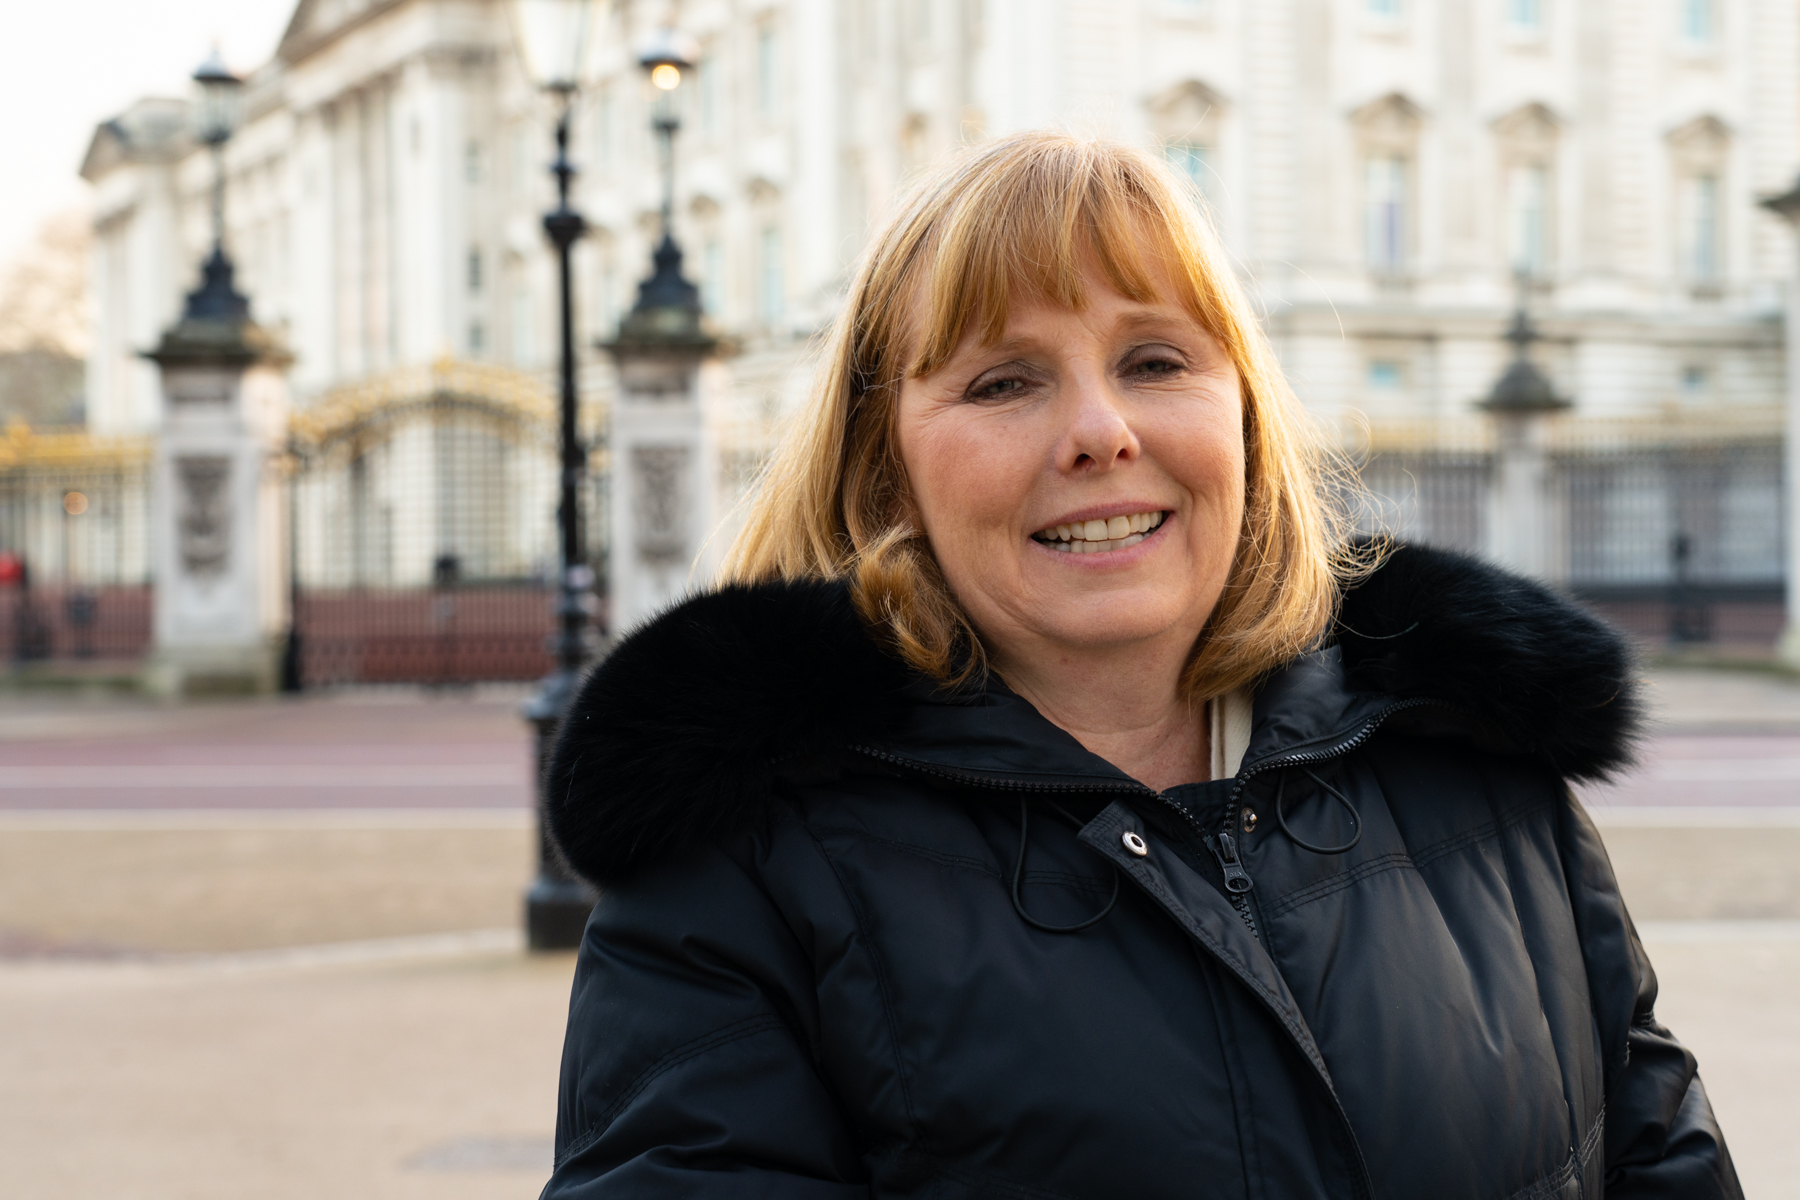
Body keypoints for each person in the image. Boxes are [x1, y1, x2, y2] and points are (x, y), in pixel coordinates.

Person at [539, 132, 1739, 1199]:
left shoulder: (1478, 754)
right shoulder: (739, 861)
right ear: (884, 469)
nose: (1101, 430)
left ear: (1244, 418)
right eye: (1004, 381)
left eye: (1157, 361)